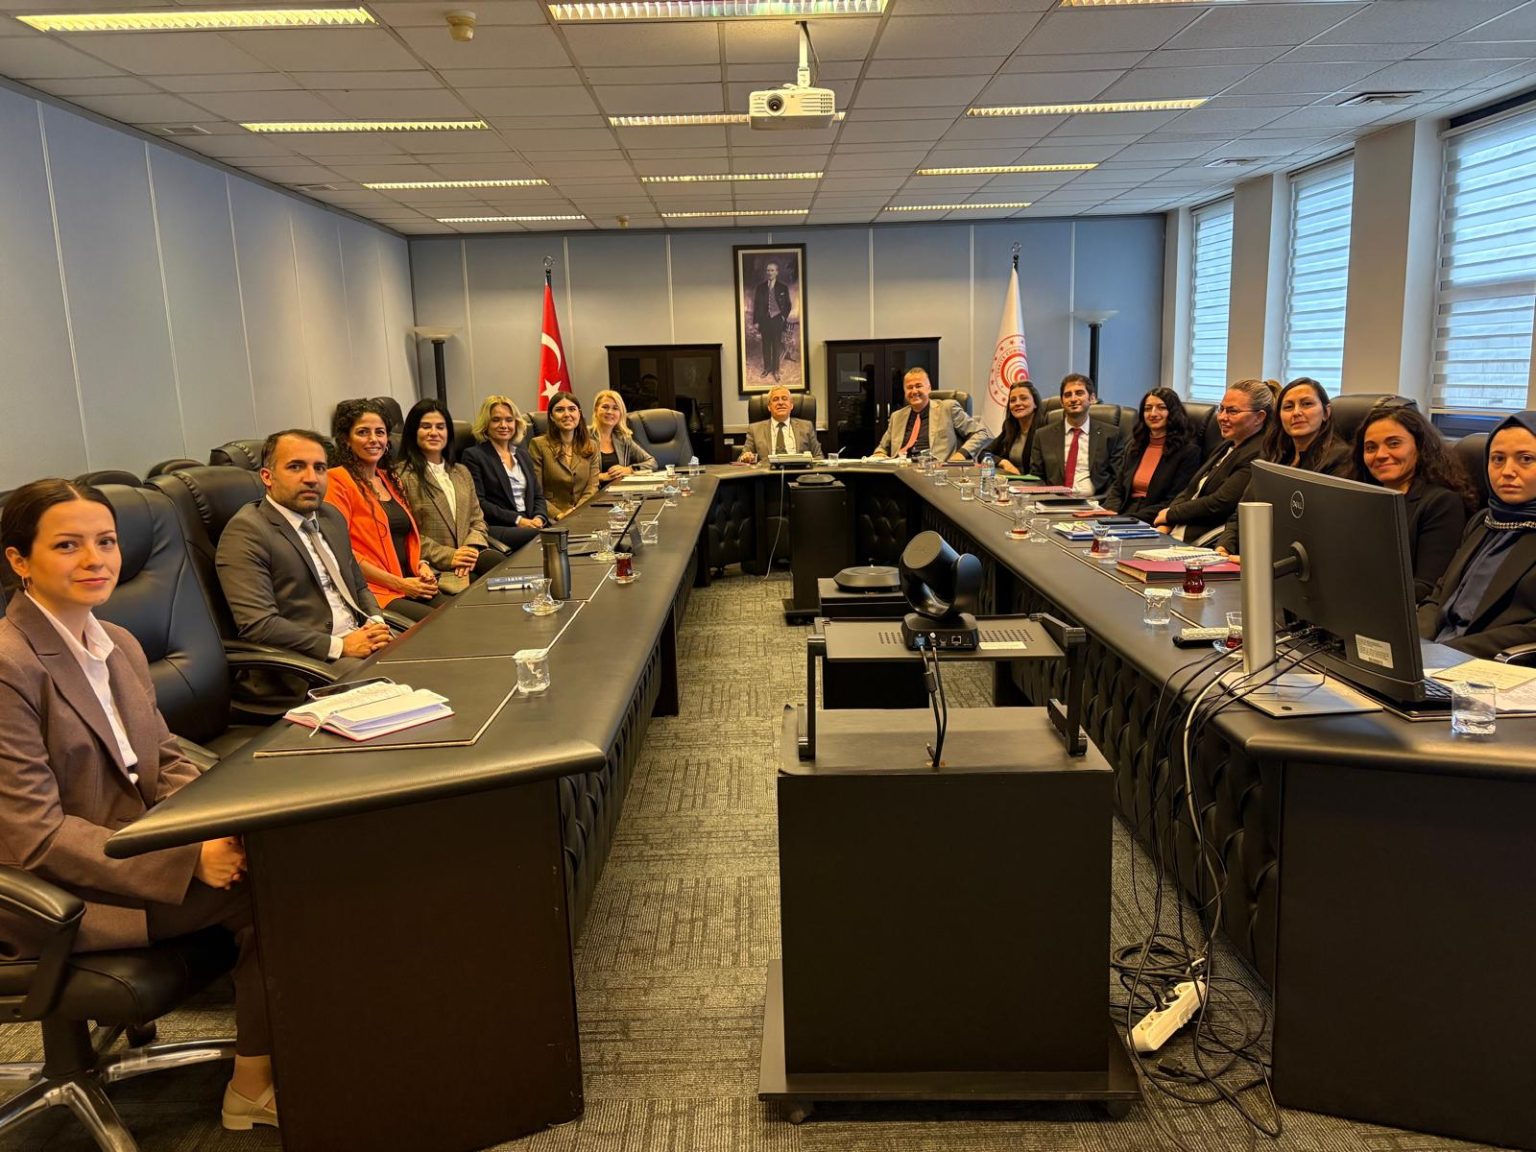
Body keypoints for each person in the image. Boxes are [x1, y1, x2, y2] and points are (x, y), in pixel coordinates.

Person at [0, 479, 276, 1130]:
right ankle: (253, 1087)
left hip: (131, 853)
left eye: (106, 542)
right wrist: (186, 860)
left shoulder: (116, 642)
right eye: (67, 545)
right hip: (52, 893)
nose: (95, 559)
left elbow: (165, 760)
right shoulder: (10, 667)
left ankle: (300, 1049)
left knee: (281, 851)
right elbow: (35, 837)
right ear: (18, 560)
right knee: (280, 891)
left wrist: (214, 829)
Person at [217, 430, 391, 672]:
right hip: (307, 664)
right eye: (296, 467)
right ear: (267, 477)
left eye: (319, 468)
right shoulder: (246, 532)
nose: (311, 478)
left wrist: (376, 624)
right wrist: (340, 646)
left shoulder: (331, 517)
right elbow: (259, 625)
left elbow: (359, 587)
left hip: (359, 641)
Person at [1420, 412, 1536, 657]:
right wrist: (1414, 642)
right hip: (1433, 653)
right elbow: (1439, 595)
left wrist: (1444, 653)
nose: (1507, 471)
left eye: (1526, 459)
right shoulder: (1483, 521)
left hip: (1488, 663)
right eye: (1498, 459)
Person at [325, 398, 449, 623]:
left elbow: (405, 539)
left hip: (410, 582)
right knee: (443, 624)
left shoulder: (391, 480)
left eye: (380, 432)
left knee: (461, 613)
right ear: (346, 440)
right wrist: (400, 584)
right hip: (376, 592)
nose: (373, 439)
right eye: (363, 432)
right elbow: (343, 553)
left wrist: (421, 565)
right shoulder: (336, 481)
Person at [1352, 403, 1474, 603]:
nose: (1380, 455)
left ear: (1420, 446)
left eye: (1393, 444)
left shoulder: (1441, 503)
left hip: (1395, 609)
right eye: (1371, 448)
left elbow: (1427, 586)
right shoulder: (1359, 497)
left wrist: (1357, 594)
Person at [1215, 377, 1352, 554]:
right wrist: (1224, 547)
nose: (1296, 412)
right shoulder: (1274, 457)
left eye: (1307, 404)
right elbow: (1242, 512)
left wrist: (1261, 561)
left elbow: (1322, 533)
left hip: (1295, 562)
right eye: (1288, 407)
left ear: (1326, 412)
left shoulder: (1340, 460)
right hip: (1255, 557)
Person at [393, 399, 502, 593]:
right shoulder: (401, 476)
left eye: (440, 427)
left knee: (503, 568)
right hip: (434, 567)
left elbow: (477, 520)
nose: (434, 432)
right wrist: (451, 556)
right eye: (426, 426)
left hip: (470, 559)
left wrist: (470, 549)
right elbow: (407, 535)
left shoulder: (461, 472)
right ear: (413, 432)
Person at [1154, 378, 1275, 543]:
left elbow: (1220, 503)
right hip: (1173, 532)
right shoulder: (1226, 445)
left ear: (1259, 417)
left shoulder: (1259, 454)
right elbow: (1190, 490)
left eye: (1232, 411)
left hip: (1200, 541)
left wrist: (1170, 515)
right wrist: (1167, 522)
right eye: (1222, 409)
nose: (1222, 417)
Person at [1102, 387, 1202, 522]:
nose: (1153, 414)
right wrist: (1109, 512)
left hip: (1153, 519)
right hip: (1122, 514)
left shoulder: (1188, 452)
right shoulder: (1134, 445)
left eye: (1161, 408)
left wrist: (1129, 519)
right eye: (1148, 408)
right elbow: (1118, 487)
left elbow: (1174, 500)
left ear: (1173, 412)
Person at [462, 395, 549, 551]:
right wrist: (518, 520)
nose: (504, 425)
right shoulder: (474, 456)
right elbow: (479, 503)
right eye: (496, 420)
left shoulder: (522, 455)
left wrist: (539, 517)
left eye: (509, 420)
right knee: (546, 537)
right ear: (486, 424)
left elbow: (538, 496)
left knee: (563, 530)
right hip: (499, 526)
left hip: (531, 523)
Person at [1028, 374, 1125, 496]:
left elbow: (1118, 479)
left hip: (1096, 502)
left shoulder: (1111, 435)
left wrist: (1104, 504)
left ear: (1092, 398)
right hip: (1053, 502)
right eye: (1068, 395)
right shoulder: (1043, 436)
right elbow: (1036, 478)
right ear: (1061, 402)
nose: (1073, 399)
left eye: (1079, 393)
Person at [873, 367, 988, 461]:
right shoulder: (897, 416)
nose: (914, 391)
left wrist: (961, 454)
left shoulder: (948, 408)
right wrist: (878, 455)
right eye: (909, 387)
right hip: (900, 471)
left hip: (933, 471)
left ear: (929, 388)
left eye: (918, 386)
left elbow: (981, 433)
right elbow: (882, 448)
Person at [529, 392, 600, 520]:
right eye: (560, 410)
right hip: (552, 518)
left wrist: (577, 511)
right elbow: (536, 491)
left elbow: (592, 487)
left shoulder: (591, 445)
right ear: (551, 416)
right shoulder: (538, 445)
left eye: (572, 409)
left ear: (579, 414)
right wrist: (558, 515)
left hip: (584, 514)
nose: (567, 414)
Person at [737, 384, 823, 463]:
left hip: (798, 472)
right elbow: (741, 459)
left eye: (784, 399)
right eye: (775, 399)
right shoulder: (755, 429)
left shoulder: (806, 427)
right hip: (767, 473)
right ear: (769, 407)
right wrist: (746, 458)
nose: (780, 403)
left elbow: (819, 457)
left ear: (791, 405)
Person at [591, 389, 658, 485]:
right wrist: (601, 477)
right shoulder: (584, 436)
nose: (609, 412)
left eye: (615, 408)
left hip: (620, 490)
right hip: (594, 492)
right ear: (596, 410)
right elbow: (574, 474)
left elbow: (652, 463)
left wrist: (629, 469)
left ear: (620, 413)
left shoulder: (623, 439)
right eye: (605, 407)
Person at [980, 379, 1042, 476]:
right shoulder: (1010, 428)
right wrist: (1003, 462)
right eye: (1012, 400)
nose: (1017, 403)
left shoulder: (1044, 429)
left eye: (1023, 398)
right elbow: (984, 454)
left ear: (1035, 404)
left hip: (1034, 483)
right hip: (1012, 482)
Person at [752, 260, 792, 383]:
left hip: (777, 320)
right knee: (765, 345)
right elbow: (757, 306)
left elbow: (788, 305)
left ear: (777, 272)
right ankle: (767, 368)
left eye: (772, 270)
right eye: (768, 270)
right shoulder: (760, 288)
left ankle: (776, 370)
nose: (770, 272)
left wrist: (783, 317)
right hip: (764, 321)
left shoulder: (783, 287)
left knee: (776, 345)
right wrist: (756, 321)